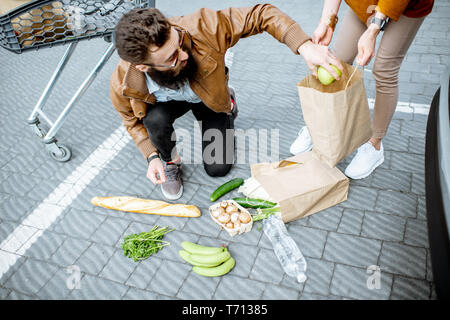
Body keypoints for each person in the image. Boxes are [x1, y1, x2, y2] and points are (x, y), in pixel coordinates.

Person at [111, 5, 343, 200]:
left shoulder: (204, 27)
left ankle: (227, 100)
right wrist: (151, 156)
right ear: (143, 67)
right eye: (171, 57)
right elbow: (131, 121)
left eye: (179, 42)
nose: (183, 54)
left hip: (208, 96)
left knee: (218, 169)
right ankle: (171, 162)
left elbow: (261, 14)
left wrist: (304, 45)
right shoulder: (123, 82)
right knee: (154, 120)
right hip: (169, 102)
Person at [290, 0, 434, 179]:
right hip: (365, 2)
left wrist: (373, 29)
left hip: (407, 5)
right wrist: (326, 21)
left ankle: (374, 146)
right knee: (338, 60)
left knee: (384, 70)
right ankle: (320, 126)